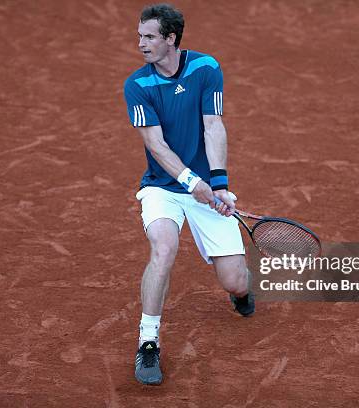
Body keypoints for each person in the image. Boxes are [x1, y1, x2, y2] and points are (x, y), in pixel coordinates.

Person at [123, 3, 254, 386]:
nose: (141, 44)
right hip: (162, 187)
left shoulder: (205, 68)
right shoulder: (138, 85)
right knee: (163, 248)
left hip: (205, 187)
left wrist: (218, 184)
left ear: (171, 39)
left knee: (236, 282)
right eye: (139, 36)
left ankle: (242, 291)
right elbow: (156, 145)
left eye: (149, 37)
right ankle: (148, 341)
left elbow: (212, 126)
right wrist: (190, 182)